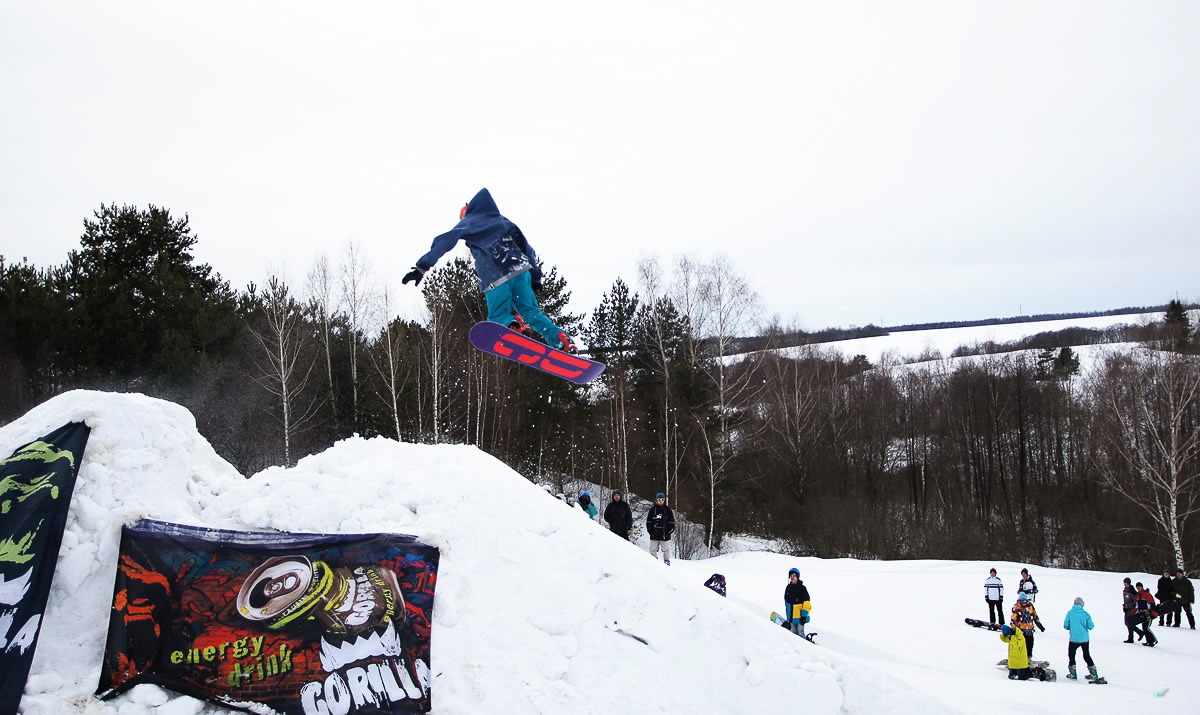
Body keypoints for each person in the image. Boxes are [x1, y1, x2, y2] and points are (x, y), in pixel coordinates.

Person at [401, 188, 577, 353]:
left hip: (494, 274)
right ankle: (561, 340)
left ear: (465, 214)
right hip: (521, 270)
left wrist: (421, 267)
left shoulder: (469, 222)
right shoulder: (503, 221)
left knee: (497, 315)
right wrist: (536, 277)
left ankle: (513, 326)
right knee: (531, 311)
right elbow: (527, 247)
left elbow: (445, 241)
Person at [1063, 596, 1100, 681]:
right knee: (1086, 655)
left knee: (1071, 655)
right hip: (1084, 639)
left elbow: (1065, 625)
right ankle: (1093, 673)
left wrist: (1071, 628)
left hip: (1074, 639)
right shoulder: (1086, 614)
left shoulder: (1070, 613)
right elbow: (1091, 626)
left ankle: (1073, 674)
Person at [1010, 591, 1045, 662]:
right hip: (1021, 631)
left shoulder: (1030, 606)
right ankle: (1021, 659)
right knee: (1022, 646)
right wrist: (1013, 628)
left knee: (1030, 644)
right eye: (1022, 601)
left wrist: (1039, 625)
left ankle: (1029, 658)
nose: (1024, 602)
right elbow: (1013, 619)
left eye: (1025, 601)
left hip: (1030, 630)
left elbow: (1035, 616)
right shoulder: (1016, 607)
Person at [645, 493, 675, 565]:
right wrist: (650, 531)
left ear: (664, 500)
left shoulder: (668, 510)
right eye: (659, 500)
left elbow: (671, 522)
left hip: (664, 534)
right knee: (652, 550)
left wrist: (670, 530)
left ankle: (667, 562)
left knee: (666, 550)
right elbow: (649, 522)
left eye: (662, 499)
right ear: (656, 500)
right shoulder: (652, 510)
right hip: (654, 534)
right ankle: (653, 563)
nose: (660, 501)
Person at [783, 568, 812, 639]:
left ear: (797, 577)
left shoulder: (802, 588)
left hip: (800, 616)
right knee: (793, 632)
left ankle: (805, 647)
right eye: (791, 576)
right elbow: (786, 601)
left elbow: (807, 603)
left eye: (794, 576)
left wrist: (804, 615)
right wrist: (788, 616)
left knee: (800, 632)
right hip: (791, 616)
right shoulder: (788, 587)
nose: (792, 577)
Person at [1134, 582, 1159, 647]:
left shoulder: (1147, 594)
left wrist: (1153, 612)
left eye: (1139, 587)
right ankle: (1149, 641)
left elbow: (1152, 604)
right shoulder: (1137, 595)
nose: (1138, 588)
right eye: (1137, 587)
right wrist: (1134, 612)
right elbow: (1136, 605)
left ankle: (1153, 640)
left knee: (1147, 628)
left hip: (1148, 613)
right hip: (1142, 613)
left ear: (1142, 587)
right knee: (1144, 628)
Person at [1122, 577, 1139, 643]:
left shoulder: (1132, 592)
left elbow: (1135, 602)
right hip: (1126, 609)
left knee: (1129, 623)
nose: (1125, 585)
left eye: (1126, 583)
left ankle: (1131, 638)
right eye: (1124, 583)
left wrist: (1129, 605)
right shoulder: (1125, 590)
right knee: (1126, 623)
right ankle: (1139, 632)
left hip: (1131, 609)